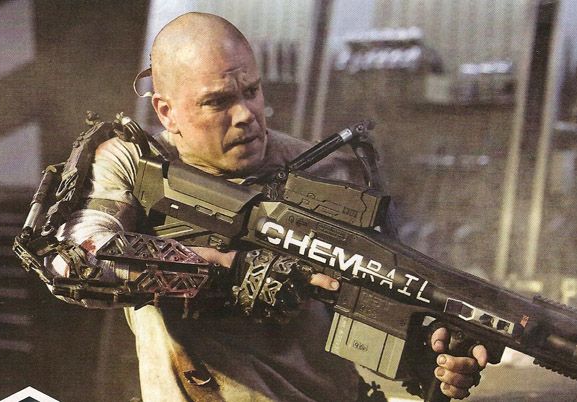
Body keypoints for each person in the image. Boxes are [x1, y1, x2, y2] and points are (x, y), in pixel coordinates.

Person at [48, 12, 487, 401]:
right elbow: (76, 260)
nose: (245, 115)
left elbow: (370, 306)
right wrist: (234, 268)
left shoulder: (318, 170)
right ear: (167, 112)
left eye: (252, 91)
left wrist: (432, 356)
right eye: (218, 101)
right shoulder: (133, 163)